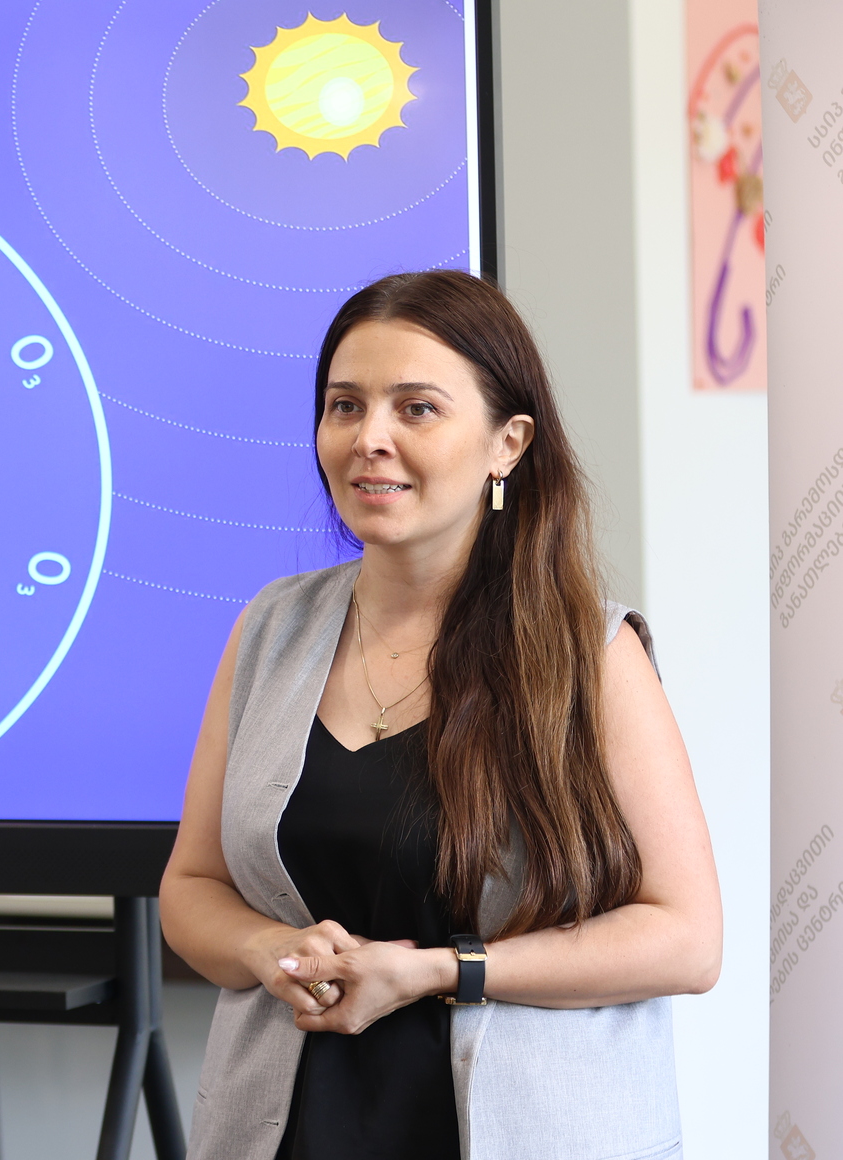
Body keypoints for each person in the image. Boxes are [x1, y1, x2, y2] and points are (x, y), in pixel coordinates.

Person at [159, 271, 722, 1160]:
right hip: (292, 1128)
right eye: (345, 406)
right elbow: (191, 889)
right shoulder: (271, 627)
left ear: (508, 443)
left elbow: (687, 940)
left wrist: (437, 972)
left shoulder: (590, 653)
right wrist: (268, 948)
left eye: (416, 409)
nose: (368, 439)